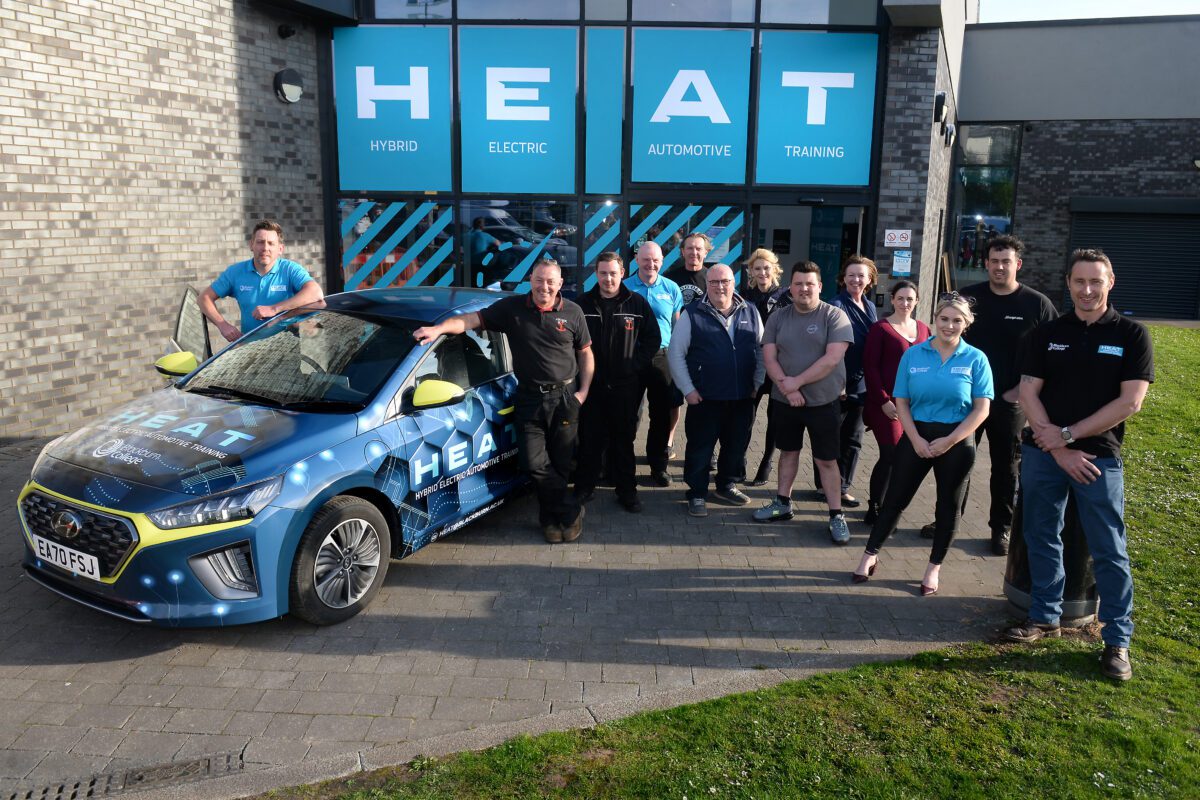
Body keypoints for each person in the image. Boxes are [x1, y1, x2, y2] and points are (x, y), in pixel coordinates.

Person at [1004, 249, 1153, 682]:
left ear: (1110, 282)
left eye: (1095, 281)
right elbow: (1028, 392)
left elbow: (1130, 402)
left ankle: (1117, 640)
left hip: (1098, 458)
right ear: (1068, 283)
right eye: (1079, 282)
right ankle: (1044, 616)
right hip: (1044, 454)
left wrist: (1067, 437)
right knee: (1040, 534)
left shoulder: (1131, 334)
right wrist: (1056, 445)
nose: (1087, 290)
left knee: (1108, 548)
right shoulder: (1047, 332)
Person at [413, 258, 594, 544]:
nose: (544, 286)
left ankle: (550, 520)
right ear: (530, 279)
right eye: (539, 280)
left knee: (561, 463)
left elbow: (585, 352)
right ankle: (571, 510)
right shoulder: (512, 309)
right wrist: (438, 330)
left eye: (550, 281)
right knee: (533, 463)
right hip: (529, 398)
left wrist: (583, 392)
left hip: (564, 397)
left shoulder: (573, 312)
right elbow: (470, 320)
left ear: (560, 283)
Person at [852, 293, 993, 595]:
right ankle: (870, 554)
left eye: (957, 320)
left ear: (967, 323)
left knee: (947, 507)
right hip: (917, 435)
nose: (949, 325)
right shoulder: (914, 355)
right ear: (935, 319)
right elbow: (901, 401)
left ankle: (933, 568)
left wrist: (949, 441)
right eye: (944, 319)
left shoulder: (976, 359)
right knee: (894, 500)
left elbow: (982, 409)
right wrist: (915, 438)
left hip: (957, 440)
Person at [956, 234, 1058, 555]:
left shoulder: (1037, 304)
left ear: (1018, 264)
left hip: (1011, 401)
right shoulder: (968, 298)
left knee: (1005, 467)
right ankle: (948, 520)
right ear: (986, 263)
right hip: (968, 398)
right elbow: (947, 338)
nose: (1000, 267)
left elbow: (1051, 354)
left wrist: (1022, 390)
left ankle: (1000, 527)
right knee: (958, 460)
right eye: (994, 261)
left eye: (1006, 262)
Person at [752, 261, 854, 544]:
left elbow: (832, 359)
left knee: (826, 460)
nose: (804, 288)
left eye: (809, 283)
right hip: (785, 402)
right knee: (788, 453)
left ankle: (836, 514)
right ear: (791, 287)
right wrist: (788, 389)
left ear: (819, 286)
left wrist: (795, 383)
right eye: (798, 283)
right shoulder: (778, 317)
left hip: (823, 403)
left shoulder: (834, 316)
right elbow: (769, 358)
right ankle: (782, 503)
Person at [667, 264, 764, 517]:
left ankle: (726, 485)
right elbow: (676, 354)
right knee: (701, 448)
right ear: (706, 285)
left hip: (742, 396)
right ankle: (697, 493)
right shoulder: (692, 313)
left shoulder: (751, 311)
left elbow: (762, 350)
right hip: (704, 397)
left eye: (725, 281)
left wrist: (757, 383)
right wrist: (688, 389)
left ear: (734, 283)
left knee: (735, 445)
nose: (720, 287)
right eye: (714, 282)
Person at [574, 252, 661, 513]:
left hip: (625, 386)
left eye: (613, 273)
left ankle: (627, 492)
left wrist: (634, 366)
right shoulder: (582, 305)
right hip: (592, 385)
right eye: (603, 273)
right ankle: (584, 488)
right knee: (590, 439)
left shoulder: (637, 303)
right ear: (596, 274)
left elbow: (652, 339)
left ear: (622, 273)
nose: (608, 278)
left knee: (623, 440)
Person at [861, 280, 931, 524]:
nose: (905, 303)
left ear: (917, 301)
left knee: (904, 458)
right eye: (900, 298)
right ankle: (874, 506)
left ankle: (890, 507)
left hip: (914, 406)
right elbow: (870, 367)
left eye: (910, 299)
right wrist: (883, 400)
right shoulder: (880, 328)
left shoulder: (924, 329)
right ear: (892, 300)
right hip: (886, 405)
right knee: (890, 453)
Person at [818, 255, 879, 508]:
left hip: (862, 384)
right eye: (851, 275)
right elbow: (828, 348)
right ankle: (825, 485)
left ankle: (842, 487)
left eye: (861, 275)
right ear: (843, 278)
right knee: (831, 436)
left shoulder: (870, 306)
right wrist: (838, 380)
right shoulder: (835, 306)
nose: (856, 279)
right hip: (838, 383)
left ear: (870, 279)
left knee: (853, 438)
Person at [200, 220, 324, 342]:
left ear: (280, 249)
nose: (265, 248)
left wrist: (274, 309)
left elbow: (316, 293)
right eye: (260, 242)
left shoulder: (290, 269)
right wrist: (222, 325)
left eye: (271, 243)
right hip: (253, 349)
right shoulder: (235, 272)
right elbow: (204, 298)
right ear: (251, 245)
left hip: (288, 347)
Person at [625, 241, 685, 487]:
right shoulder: (624, 287)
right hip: (631, 356)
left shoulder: (671, 288)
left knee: (661, 414)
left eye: (655, 260)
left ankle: (658, 467)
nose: (651, 264)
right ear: (637, 260)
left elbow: (677, 325)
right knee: (629, 413)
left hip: (662, 356)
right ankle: (623, 465)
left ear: (661, 261)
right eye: (646, 259)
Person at [741, 248, 789, 486]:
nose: (762, 273)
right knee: (745, 416)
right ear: (751, 271)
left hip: (780, 365)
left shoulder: (786, 296)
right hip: (752, 363)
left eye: (766, 268)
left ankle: (766, 462)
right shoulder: (744, 296)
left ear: (775, 269)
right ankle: (739, 459)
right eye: (757, 268)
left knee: (775, 418)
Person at [664, 231, 712, 306]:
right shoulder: (670, 279)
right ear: (683, 251)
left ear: (706, 253)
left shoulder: (712, 279)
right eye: (690, 248)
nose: (694, 252)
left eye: (698, 249)